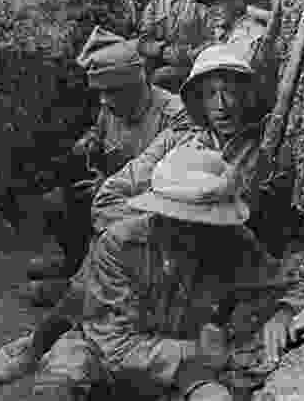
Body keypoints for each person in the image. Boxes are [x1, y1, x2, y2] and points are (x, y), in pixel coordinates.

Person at [0, 46, 302, 386]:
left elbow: (291, 252)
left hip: (219, 281)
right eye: (211, 94)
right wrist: (156, 221)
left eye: (231, 91)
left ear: (248, 95)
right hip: (142, 262)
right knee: (99, 283)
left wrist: (226, 229)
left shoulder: (271, 152)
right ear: (198, 101)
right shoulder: (175, 144)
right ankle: (42, 340)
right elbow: (110, 197)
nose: (222, 104)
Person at [31, 146, 304, 401]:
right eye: (186, 222)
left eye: (206, 223)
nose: (197, 232)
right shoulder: (118, 245)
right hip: (106, 360)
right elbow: (113, 344)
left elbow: (291, 285)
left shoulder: (233, 242)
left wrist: (283, 312)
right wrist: (198, 351)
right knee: (61, 376)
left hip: (184, 374)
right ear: (161, 214)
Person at [27, 27, 189, 287]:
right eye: (100, 92)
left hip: (151, 210)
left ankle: (81, 288)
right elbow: (101, 134)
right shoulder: (113, 107)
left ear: (136, 85)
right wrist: (89, 142)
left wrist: (110, 189)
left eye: (111, 91)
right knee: (56, 203)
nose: (103, 100)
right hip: (110, 194)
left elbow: (176, 186)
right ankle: (74, 265)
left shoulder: (174, 116)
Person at [191, 0, 280, 113]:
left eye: (217, 2)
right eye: (208, 4)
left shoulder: (248, 37)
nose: (211, 10)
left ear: (239, 0)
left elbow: (235, 91)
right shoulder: (231, 31)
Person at [138, 0, 210, 94]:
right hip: (160, 62)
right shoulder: (155, 4)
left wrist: (189, 54)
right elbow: (143, 41)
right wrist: (162, 49)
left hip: (191, 66)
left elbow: (211, 39)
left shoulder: (198, 2)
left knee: (161, 78)